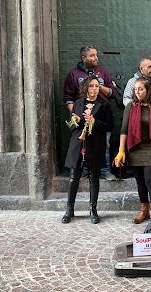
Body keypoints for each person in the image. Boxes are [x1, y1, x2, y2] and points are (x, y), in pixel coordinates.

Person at [114, 78, 151, 224]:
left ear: (148, 89)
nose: (137, 92)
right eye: (135, 89)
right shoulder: (131, 106)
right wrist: (121, 150)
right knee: (140, 181)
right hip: (135, 148)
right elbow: (124, 130)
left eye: (141, 89)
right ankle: (144, 210)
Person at [62, 75, 114, 224]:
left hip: (95, 145)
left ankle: (93, 210)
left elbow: (110, 126)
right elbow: (72, 126)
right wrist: (76, 121)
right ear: (86, 88)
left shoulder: (104, 105)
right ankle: (69, 209)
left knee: (94, 178)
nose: (95, 89)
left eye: (97, 86)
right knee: (74, 178)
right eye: (91, 86)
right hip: (78, 145)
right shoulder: (78, 104)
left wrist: (95, 122)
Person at [63, 45, 118, 181]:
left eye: (96, 55)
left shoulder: (103, 72)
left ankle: (105, 170)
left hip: (101, 116)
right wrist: (75, 115)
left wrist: (98, 86)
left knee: (105, 144)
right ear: (84, 58)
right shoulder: (74, 74)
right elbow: (68, 97)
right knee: (83, 144)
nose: (95, 58)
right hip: (82, 118)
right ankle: (84, 170)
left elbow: (113, 92)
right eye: (92, 55)